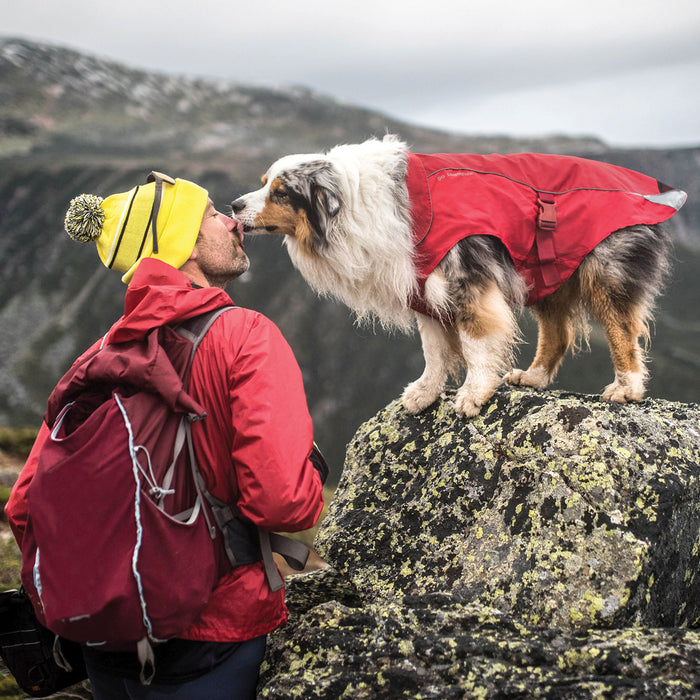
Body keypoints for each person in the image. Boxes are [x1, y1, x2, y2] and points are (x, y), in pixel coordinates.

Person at [5, 172, 326, 699]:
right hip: (217, 632)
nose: (232, 221)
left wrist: (94, 594)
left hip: (104, 642)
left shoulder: (98, 356)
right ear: (181, 243)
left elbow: (23, 506)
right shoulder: (245, 335)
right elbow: (283, 504)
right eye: (210, 215)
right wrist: (312, 470)